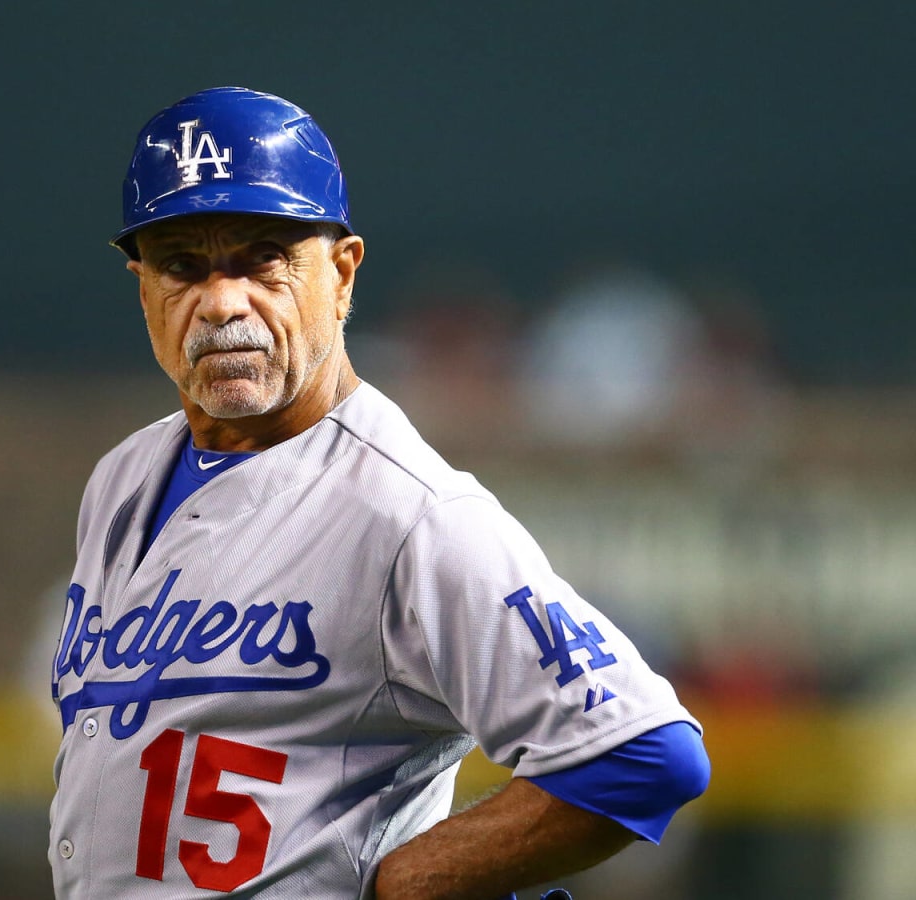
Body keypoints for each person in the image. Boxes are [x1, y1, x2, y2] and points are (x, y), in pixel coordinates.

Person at [46, 87, 709, 900]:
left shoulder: (408, 513)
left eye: (263, 258)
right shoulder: (123, 476)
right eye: (183, 264)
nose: (222, 302)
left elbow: (642, 753)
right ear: (142, 285)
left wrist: (414, 880)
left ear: (342, 273)